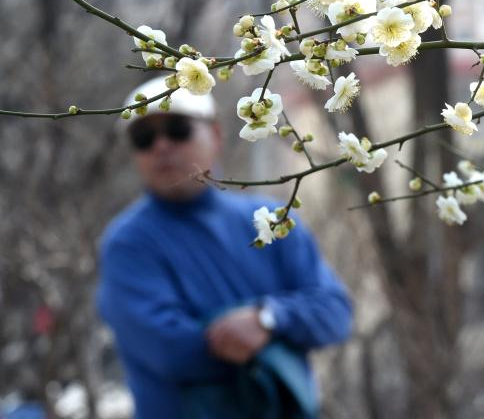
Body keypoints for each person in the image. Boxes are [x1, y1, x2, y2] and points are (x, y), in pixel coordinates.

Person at [95, 77, 353, 419]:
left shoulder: (271, 220)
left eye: (178, 129)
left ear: (215, 135)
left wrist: (268, 318)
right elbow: (169, 350)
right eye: (144, 138)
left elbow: (334, 313)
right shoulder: (127, 244)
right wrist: (281, 334)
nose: (161, 146)